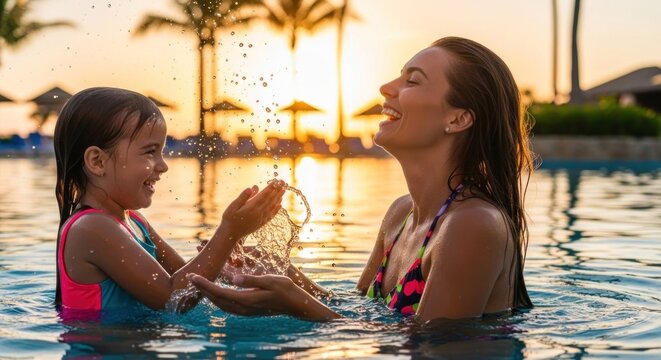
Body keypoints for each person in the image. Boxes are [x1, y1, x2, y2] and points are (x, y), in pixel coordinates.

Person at [189, 36, 535, 322]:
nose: (387, 87)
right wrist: (284, 275)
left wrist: (295, 304)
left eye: (412, 81)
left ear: (458, 118)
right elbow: (361, 312)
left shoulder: (474, 224)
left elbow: (433, 347)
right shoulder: (400, 215)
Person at [53, 87, 285, 313]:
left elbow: (185, 277)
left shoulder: (134, 221)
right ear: (97, 161)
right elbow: (173, 299)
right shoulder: (92, 228)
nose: (163, 166)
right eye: (149, 152)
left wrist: (229, 258)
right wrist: (229, 232)